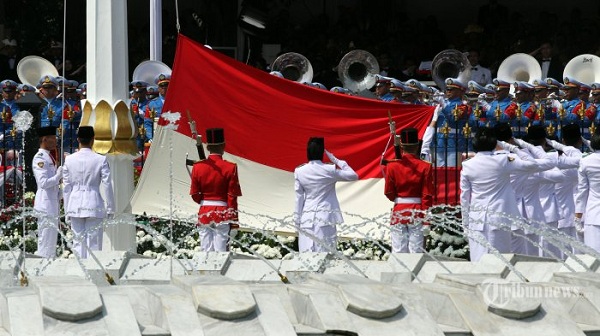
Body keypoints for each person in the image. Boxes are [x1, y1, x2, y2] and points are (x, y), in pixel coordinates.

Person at [460, 127, 554, 261]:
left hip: (476, 220)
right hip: (499, 218)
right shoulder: (504, 160)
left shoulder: (468, 165)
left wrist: (465, 224)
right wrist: (514, 148)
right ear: (494, 143)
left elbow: (464, 198)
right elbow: (535, 164)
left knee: (477, 261)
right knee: (500, 261)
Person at [294, 137, 358, 252]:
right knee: (326, 258)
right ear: (322, 153)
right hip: (325, 218)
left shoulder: (300, 171)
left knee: (305, 258)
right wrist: (337, 161)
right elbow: (353, 175)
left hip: (306, 219)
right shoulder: (329, 170)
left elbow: (299, 198)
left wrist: (297, 220)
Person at [62, 126, 114, 258]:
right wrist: (110, 207)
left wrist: (67, 209)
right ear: (93, 139)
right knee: (94, 244)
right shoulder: (100, 159)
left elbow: (66, 187)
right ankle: (93, 274)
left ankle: (80, 273)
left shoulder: (69, 159)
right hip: (93, 202)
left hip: (75, 202)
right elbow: (107, 184)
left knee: (78, 243)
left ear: (78, 139)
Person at [189, 128, 242, 252]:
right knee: (221, 251)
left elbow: (195, 194)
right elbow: (232, 197)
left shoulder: (197, 167)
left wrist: (206, 201)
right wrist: (234, 221)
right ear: (223, 146)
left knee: (205, 250)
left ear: (207, 148)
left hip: (204, 211)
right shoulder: (230, 167)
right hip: (223, 212)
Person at [384, 128, 433, 253]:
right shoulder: (425, 166)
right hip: (417, 211)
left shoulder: (392, 166)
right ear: (417, 146)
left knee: (398, 250)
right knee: (415, 252)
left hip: (399, 211)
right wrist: (427, 219)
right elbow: (427, 195)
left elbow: (389, 193)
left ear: (401, 146)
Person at [32, 126, 63, 258]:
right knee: (45, 237)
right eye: (53, 139)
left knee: (51, 237)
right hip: (45, 203)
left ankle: (50, 261)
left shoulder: (49, 156)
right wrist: (58, 176)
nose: (55, 141)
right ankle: (43, 261)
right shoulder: (40, 158)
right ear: (44, 139)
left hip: (52, 201)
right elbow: (43, 182)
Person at [575, 132, 600, 253]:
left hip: (594, 215)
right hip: (593, 215)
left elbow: (582, 191)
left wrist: (578, 217)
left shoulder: (586, 161)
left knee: (593, 259)